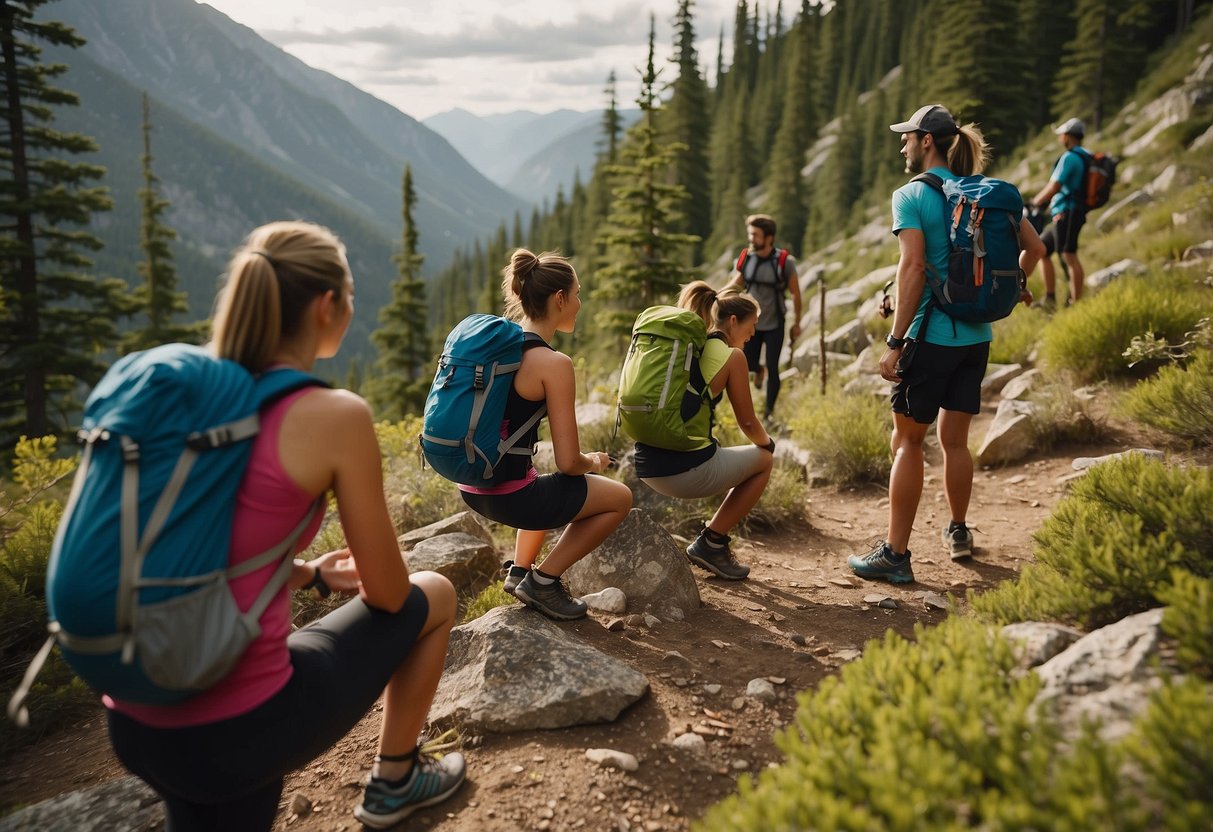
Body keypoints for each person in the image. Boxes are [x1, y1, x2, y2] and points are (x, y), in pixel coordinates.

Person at [103, 221, 465, 831]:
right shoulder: (333, 415)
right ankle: (395, 779)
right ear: (326, 306)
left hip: (134, 712)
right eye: (348, 296)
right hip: (235, 725)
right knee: (434, 594)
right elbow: (388, 594)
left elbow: (195, 538)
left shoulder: (179, 395)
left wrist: (307, 573)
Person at [847, 105, 1044, 584]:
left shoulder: (911, 195)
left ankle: (895, 555)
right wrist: (1013, 284)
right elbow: (1035, 249)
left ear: (927, 142)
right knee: (955, 442)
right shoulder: (984, 195)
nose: (903, 145)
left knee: (908, 443)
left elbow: (914, 267)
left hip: (930, 339)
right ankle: (957, 529)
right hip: (977, 338)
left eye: (908, 137)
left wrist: (896, 341)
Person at [459, 249, 632, 620]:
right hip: (510, 498)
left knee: (532, 477)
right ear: (559, 299)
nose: (579, 303)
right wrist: (595, 462)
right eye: (578, 293)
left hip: (471, 485)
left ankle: (520, 571)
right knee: (620, 497)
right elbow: (569, 464)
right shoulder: (554, 364)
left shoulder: (497, 348)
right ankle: (545, 582)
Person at [634, 282, 776, 581]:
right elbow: (748, 423)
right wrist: (768, 443)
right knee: (764, 460)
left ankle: (711, 543)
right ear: (734, 321)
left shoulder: (691, 344)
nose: (753, 334)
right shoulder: (731, 357)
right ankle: (712, 543)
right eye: (752, 325)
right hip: (682, 472)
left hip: (646, 465)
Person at [724, 214, 803, 421]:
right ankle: (759, 372)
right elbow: (736, 284)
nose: (751, 239)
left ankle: (768, 413)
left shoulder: (786, 262)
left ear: (769, 238)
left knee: (773, 366)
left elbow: (795, 293)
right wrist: (715, 296)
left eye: (755, 235)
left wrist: (797, 323)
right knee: (748, 363)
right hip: (750, 324)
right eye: (750, 234)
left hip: (775, 322)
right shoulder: (747, 259)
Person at [1028, 117, 1092, 307]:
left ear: (1068, 137)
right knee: (1043, 250)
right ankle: (1050, 298)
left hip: (1068, 212)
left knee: (1069, 254)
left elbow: (1055, 185)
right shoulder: (1085, 155)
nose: (1060, 138)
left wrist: (1035, 202)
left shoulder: (1070, 157)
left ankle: (1075, 303)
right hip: (1068, 212)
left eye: (1062, 135)